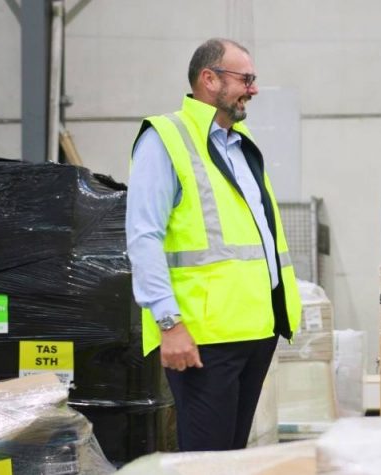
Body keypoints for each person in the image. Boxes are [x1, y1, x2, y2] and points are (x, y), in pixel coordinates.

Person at [125, 38, 301, 451]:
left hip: (255, 332)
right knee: (207, 463)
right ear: (209, 79)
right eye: (246, 79)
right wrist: (169, 324)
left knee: (230, 459)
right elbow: (143, 236)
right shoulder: (165, 138)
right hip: (202, 340)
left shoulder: (243, 144)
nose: (253, 89)